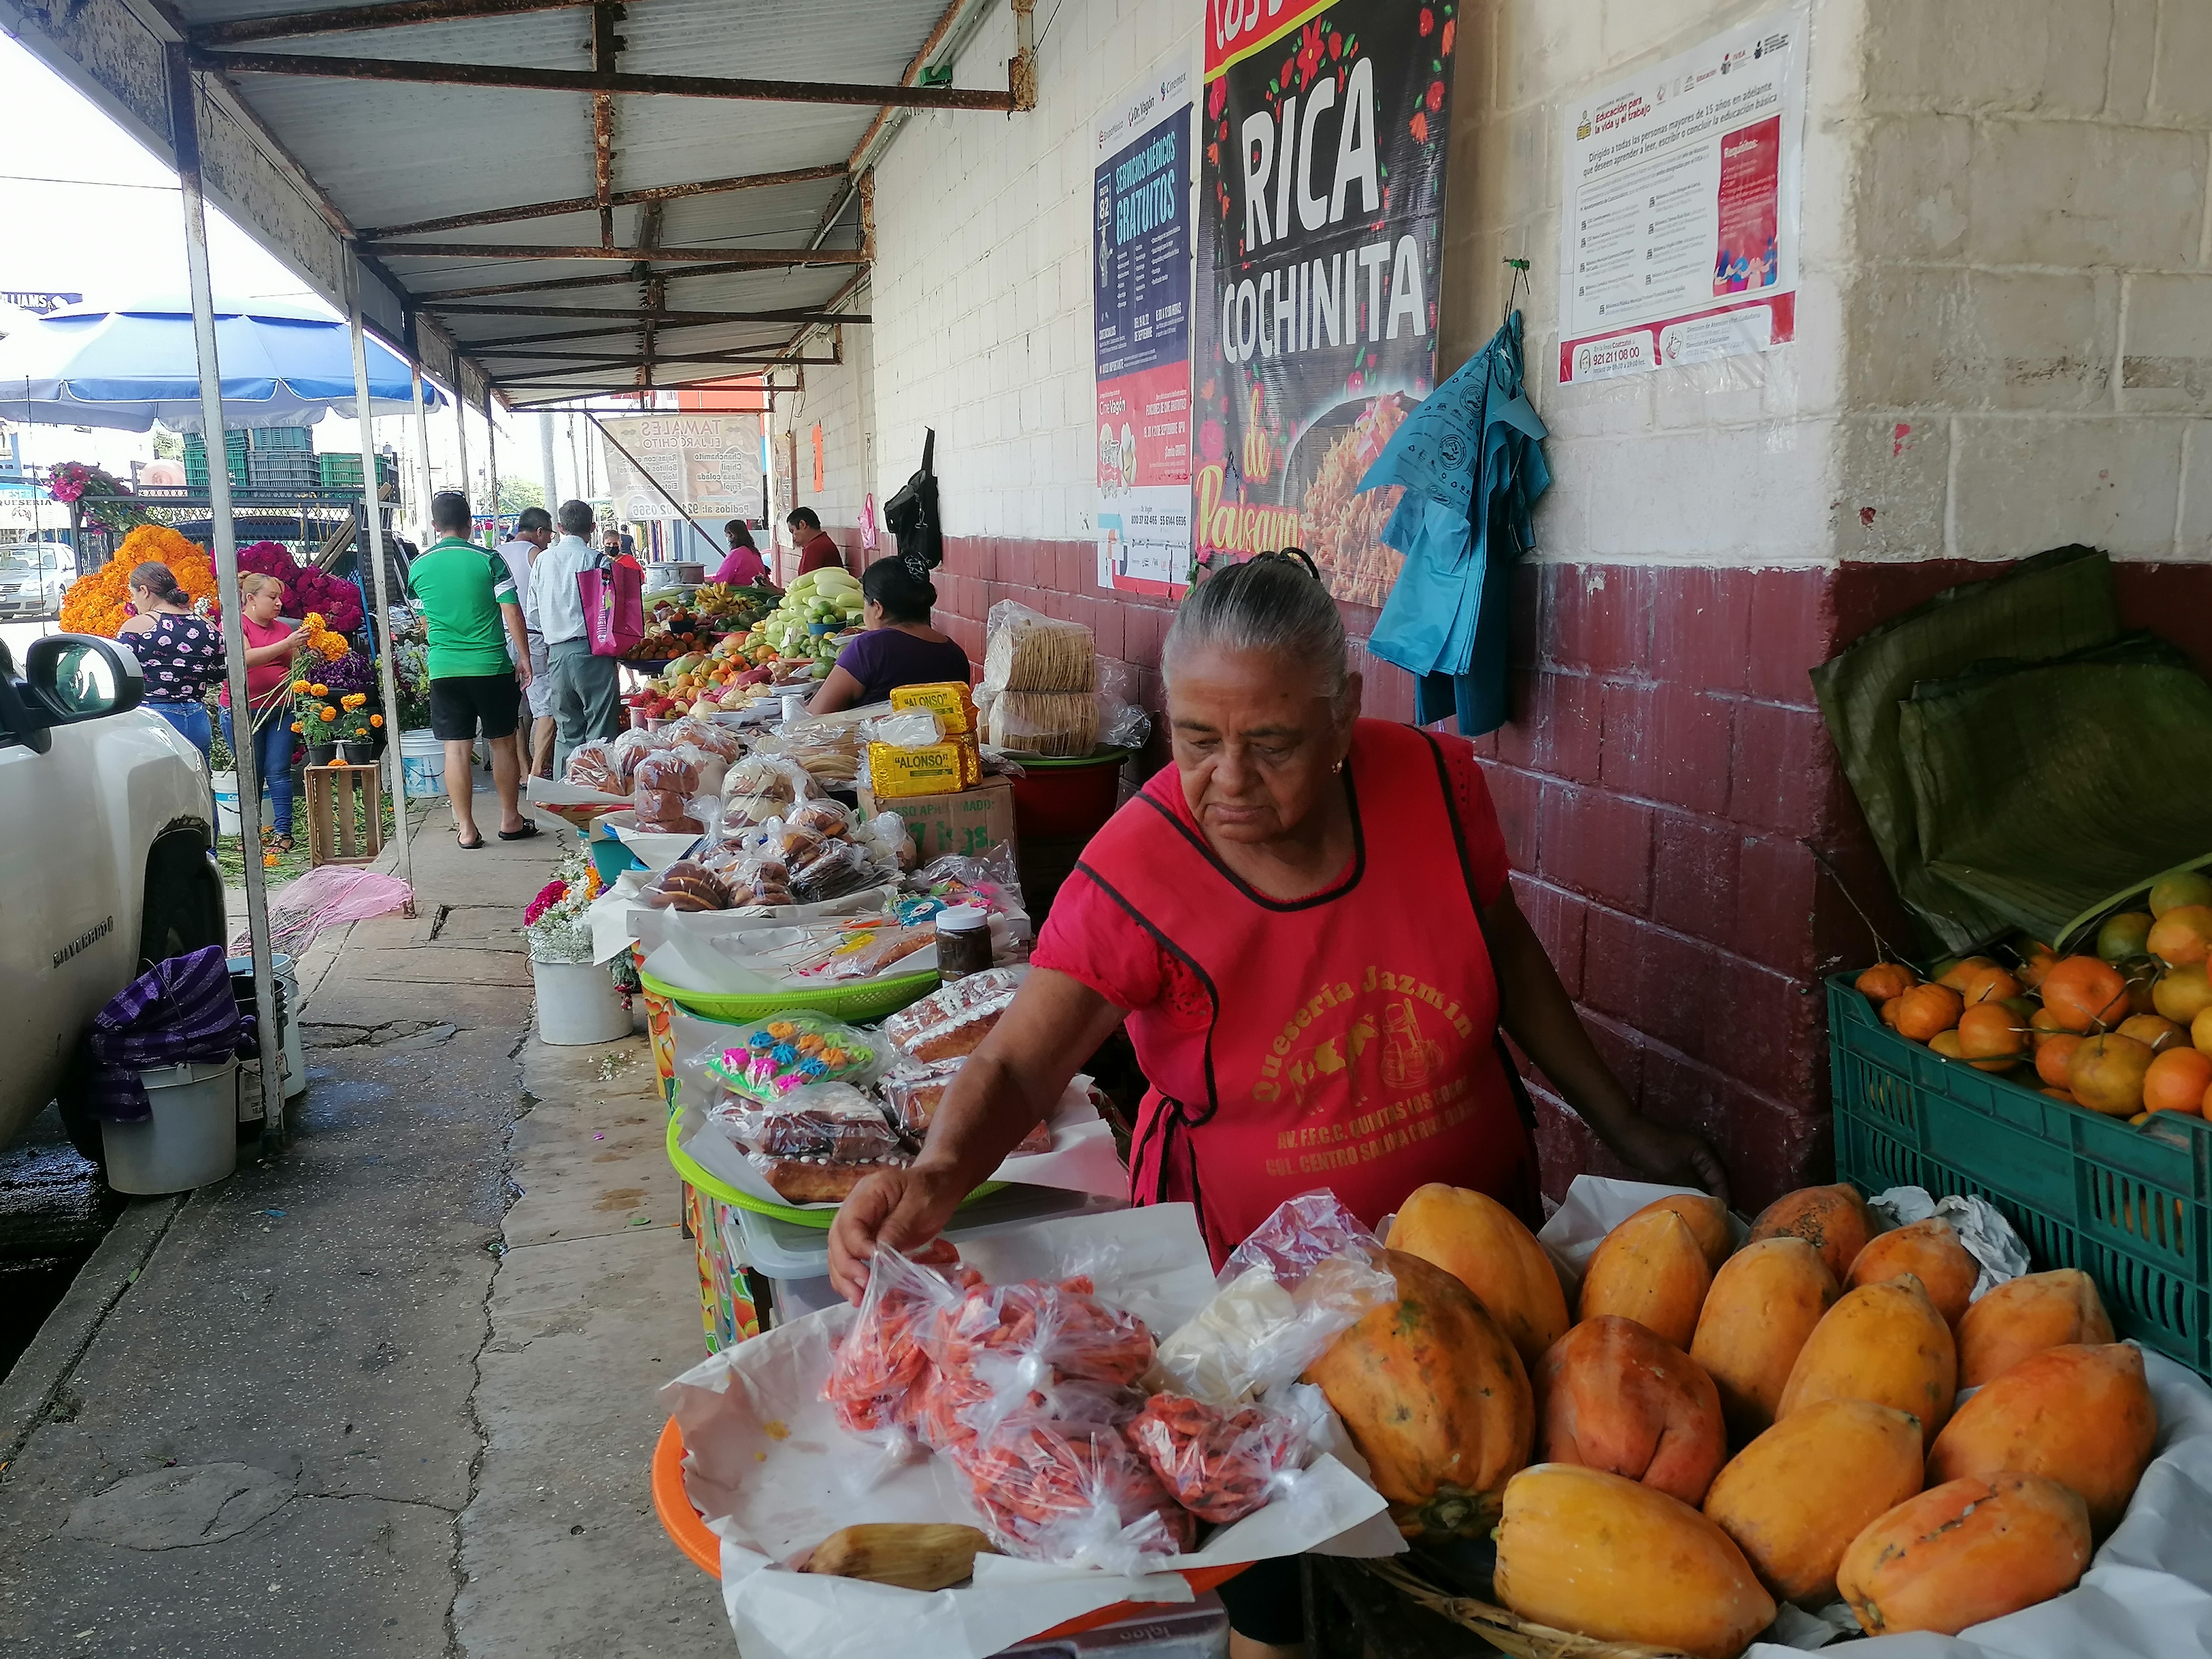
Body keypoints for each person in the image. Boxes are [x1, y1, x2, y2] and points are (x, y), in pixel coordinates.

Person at [826, 552, 1725, 1659]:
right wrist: (932, 1176)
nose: (1228, 780)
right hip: (1254, 1310)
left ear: (1343, 714)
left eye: (1272, 742)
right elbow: (1017, 1066)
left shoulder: (1433, 789)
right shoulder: (1137, 870)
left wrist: (1622, 1122)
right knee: (1272, 1573)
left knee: (1485, 1544)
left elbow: (1506, 950)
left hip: (1477, 1256)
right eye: (1196, 740)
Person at [406, 491, 535, 849]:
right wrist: (524, 657)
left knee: (456, 750)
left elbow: (427, 624)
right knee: (503, 744)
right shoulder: (489, 560)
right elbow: (512, 612)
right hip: (491, 666)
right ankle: (510, 819)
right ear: (469, 524)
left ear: (435, 526)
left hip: (445, 669)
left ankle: (466, 829)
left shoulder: (418, 567)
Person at [217, 573, 310, 851]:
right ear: (250, 599)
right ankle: (251, 836)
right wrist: (287, 645)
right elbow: (243, 659)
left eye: (280, 597)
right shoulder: (234, 625)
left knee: (278, 770)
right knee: (251, 773)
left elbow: (295, 665)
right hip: (243, 710)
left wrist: (308, 657)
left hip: (281, 709)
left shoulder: (283, 629)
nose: (279, 603)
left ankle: (284, 835)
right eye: (272, 597)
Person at [806, 558, 970, 713]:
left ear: (877, 608)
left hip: (872, 744)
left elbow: (813, 719)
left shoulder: (870, 649)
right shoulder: (956, 655)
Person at [536, 498, 624, 774]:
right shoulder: (596, 560)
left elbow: (532, 612)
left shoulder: (542, 561)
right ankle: (597, 796)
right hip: (592, 653)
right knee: (600, 732)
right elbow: (611, 610)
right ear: (594, 527)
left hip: (557, 655)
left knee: (567, 732)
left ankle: (565, 801)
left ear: (560, 527)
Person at [117, 561, 225, 760]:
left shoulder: (138, 626)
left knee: (159, 787)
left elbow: (120, 674)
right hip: (197, 718)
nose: (134, 603)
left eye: (134, 596)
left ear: (144, 591)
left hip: (154, 720)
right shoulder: (208, 626)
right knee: (198, 785)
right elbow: (219, 672)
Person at [499, 506, 557, 779]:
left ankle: (524, 769)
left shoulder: (496, 554)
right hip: (532, 637)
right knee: (545, 705)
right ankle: (537, 772)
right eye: (548, 534)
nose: (549, 540)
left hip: (500, 639)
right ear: (538, 531)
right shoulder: (535, 555)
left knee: (517, 711)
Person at [786, 507, 845, 577]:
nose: (793, 538)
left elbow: (804, 584)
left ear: (803, 524)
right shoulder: (821, 542)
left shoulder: (815, 547)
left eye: (793, 531)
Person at [710, 520, 766, 587]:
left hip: (742, 595)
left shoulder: (737, 554)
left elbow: (721, 581)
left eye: (727, 536)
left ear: (732, 535)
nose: (727, 539)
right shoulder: (754, 552)